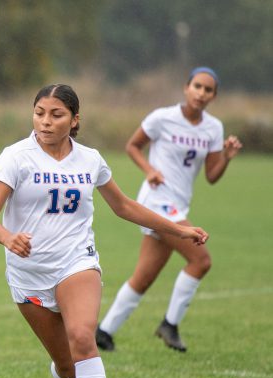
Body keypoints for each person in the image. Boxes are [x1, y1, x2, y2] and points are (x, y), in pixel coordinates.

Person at [0, 84, 208, 378]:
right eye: (39, 113)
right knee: (66, 365)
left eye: (56, 114)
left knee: (84, 337)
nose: (46, 122)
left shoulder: (90, 160)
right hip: (29, 273)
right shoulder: (15, 157)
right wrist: (7, 237)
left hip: (77, 262)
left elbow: (124, 206)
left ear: (75, 119)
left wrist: (178, 229)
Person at [95, 67, 242, 353]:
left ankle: (103, 332)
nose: (201, 93)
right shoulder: (163, 118)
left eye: (208, 89)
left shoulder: (213, 128)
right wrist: (149, 170)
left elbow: (212, 176)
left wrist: (225, 156)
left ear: (214, 95)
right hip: (156, 201)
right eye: (197, 86)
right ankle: (170, 325)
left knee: (145, 276)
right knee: (201, 260)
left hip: (178, 204)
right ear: (186, 88)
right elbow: (133, 146)